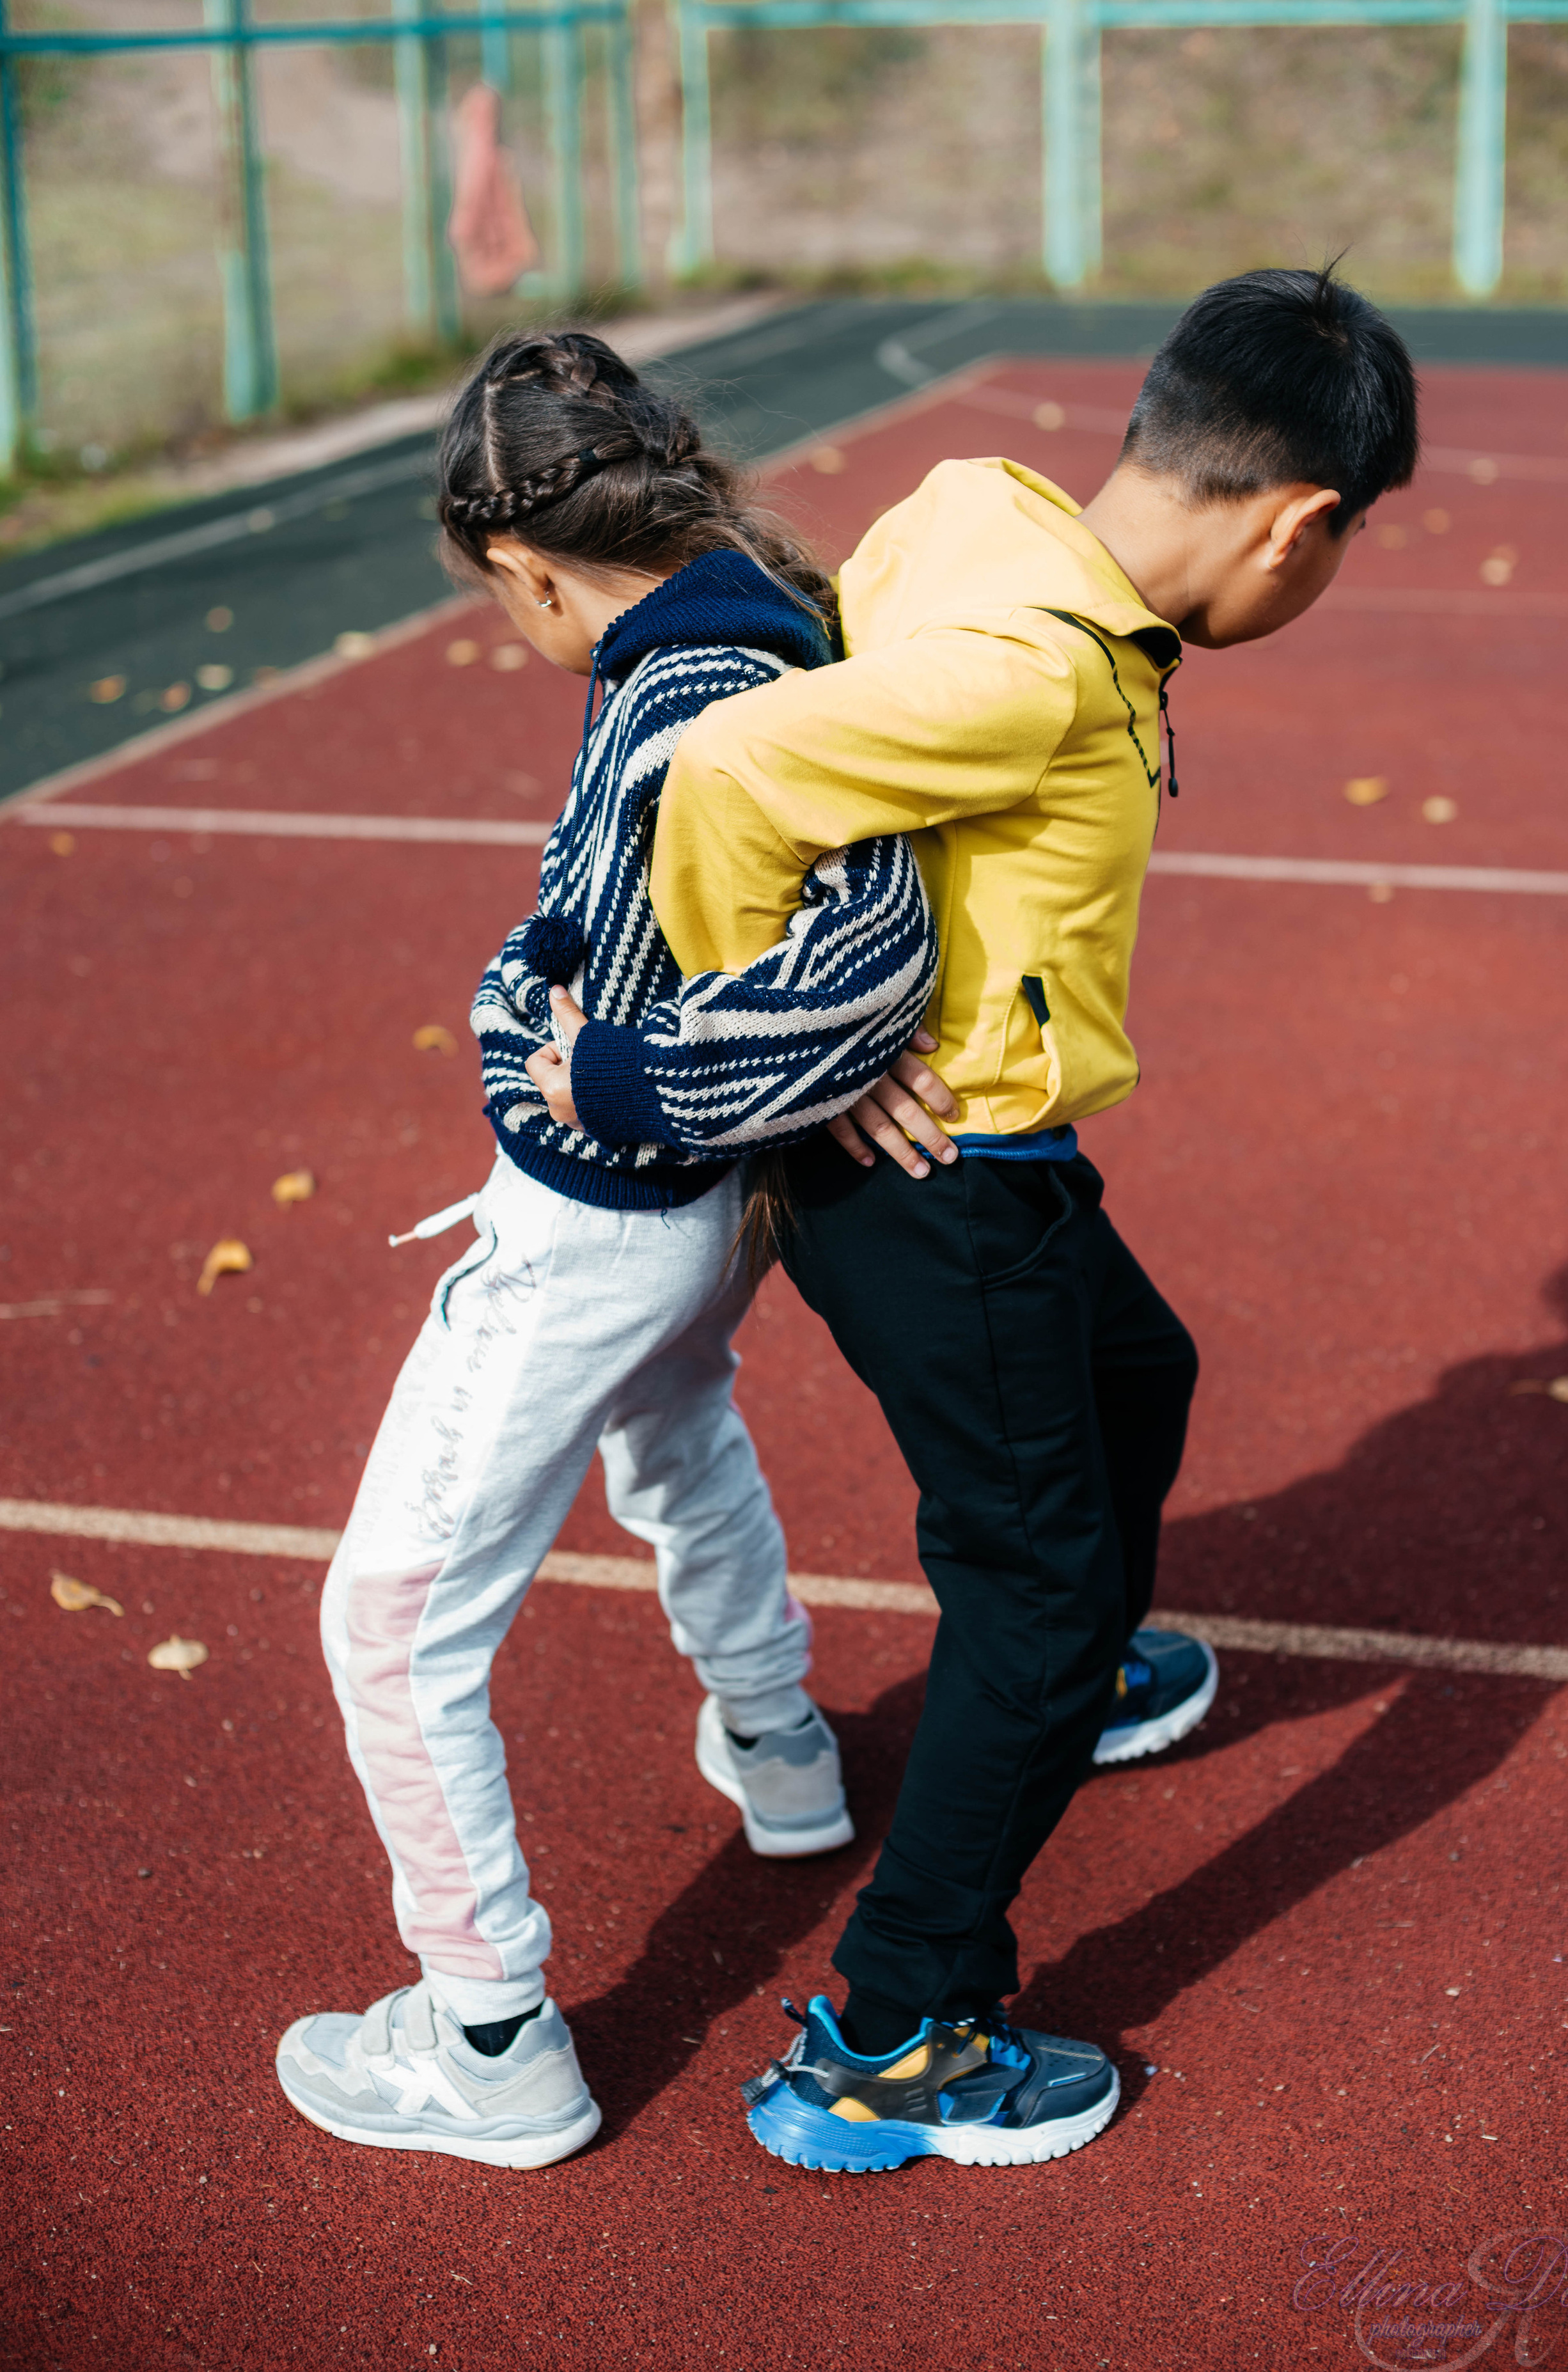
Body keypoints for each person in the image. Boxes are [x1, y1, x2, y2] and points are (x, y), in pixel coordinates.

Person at [637, 263, 1420, 2172]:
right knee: (1038, 1593)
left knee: (1144, 1369)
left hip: (1002, 1160)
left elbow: (834, 642)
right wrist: (788, 1050)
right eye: (1341, 555)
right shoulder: (1039, 672)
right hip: (940, 1184)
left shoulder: (983, 505)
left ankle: (1082, 1668)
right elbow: (726, 772)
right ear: (1298, 524)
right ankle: (893, 2034)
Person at [274, 330, 941, 2171]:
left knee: (391, 1624)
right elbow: (588, 924)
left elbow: (872, 961)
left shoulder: (697, 694)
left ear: (530, 569)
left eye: (506, 609)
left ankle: (488, 2036)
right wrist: (548, 1003)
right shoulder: (745, 626)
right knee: (675, 1432)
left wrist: (609, 1069)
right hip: (683, 1218)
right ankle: (785, 1748)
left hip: (608, 1215)